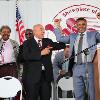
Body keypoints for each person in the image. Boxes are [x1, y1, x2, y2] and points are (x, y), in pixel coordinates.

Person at [54, 17, 100, 100]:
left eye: (83, 24)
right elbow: (59, 38)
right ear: (76, 26)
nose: (81, 26)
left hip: (89, 65)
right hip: (76, 67)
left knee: (91, 92)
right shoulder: (72, 36)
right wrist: (57, 26)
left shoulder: (93, 34)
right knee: (78, 93)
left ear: (86, 25)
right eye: (79, 24)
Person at [20, 24, 66, 100]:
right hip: (32, 78)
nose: (43, 31)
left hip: (46, 77)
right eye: (41, 29)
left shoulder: (48, 41)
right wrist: (41, 53)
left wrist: (60, 33)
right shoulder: (27, 43)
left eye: (43, 29)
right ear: (34, 31)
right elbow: (26, 56)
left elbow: (62, 45)